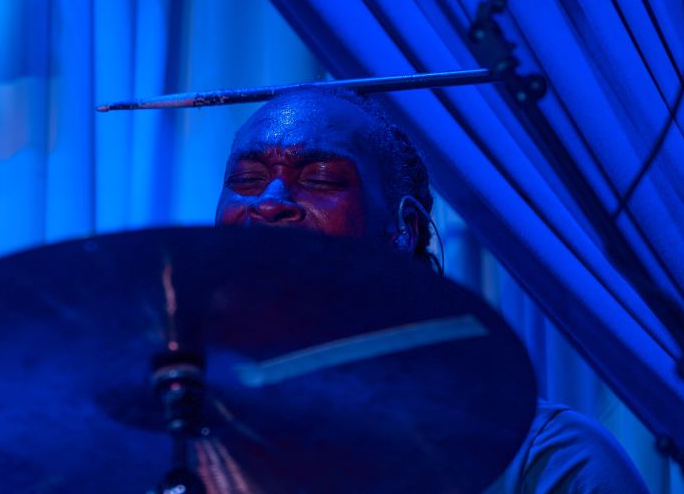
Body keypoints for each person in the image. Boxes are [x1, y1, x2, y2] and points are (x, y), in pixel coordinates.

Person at [214, 88, 650, 494]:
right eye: (247, 180)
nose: (269, 202)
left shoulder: (552, 460)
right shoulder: (175, 446)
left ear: (404, 230)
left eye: (321, 179)